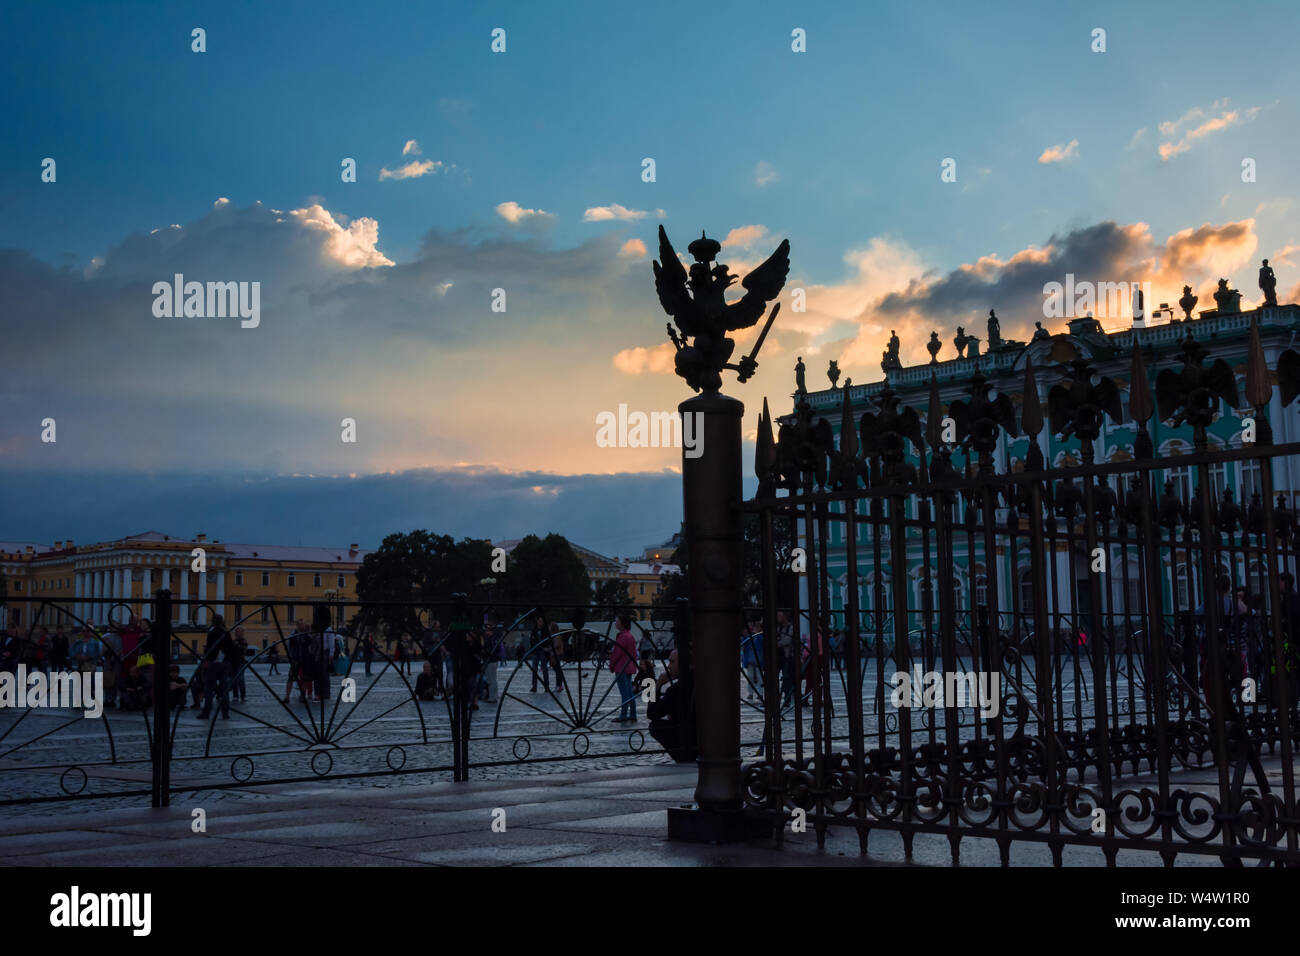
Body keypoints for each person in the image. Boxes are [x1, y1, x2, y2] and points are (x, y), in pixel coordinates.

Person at [647, 649, 694, 762]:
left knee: (655, 725)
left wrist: (656, 686)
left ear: (683, 663)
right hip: (701, 736)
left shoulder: (676, 689)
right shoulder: (701, 680)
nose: (668, 666)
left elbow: (652, 714)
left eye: (672, 662)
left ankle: (683, 757)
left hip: (688, 737)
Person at [198, 614, 233, 720]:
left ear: (213, 622)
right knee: (224, 689)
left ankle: (206, 713)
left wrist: (207, 660)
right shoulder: (226, 633)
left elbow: (211, 649)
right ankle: (225, 713)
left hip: (213, 663)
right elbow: (230, 648)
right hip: (224, 662)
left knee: (209, 689)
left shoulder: (212, 633)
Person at [610, 615, 639, 723]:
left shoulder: (623, 636)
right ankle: (633, 714)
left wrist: (611, 665)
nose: (615, 622)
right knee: (629, 693)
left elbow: (617, 653)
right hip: (628, 667)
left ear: (621, 623)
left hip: (621, 667)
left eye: (616, 620)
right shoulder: (629, 635)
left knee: (624, 693)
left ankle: (623, 716)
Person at [286, 620, 314, 704]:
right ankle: (287, 696)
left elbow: (311, 646)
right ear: (297, 625)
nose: (301, 625)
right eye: (299, 624)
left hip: (305, 659)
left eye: (302, 624)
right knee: (290, 678)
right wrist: (291, 657)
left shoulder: (307, 635)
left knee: (304, 679)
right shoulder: (293, 635)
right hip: (295, 659)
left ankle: (302, 696)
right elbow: (289, 647)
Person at [741, 617, 764, 701]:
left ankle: (760, 693)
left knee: (759, 678)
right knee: (750, 677)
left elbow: (761, 644)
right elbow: (744, 643)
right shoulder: (749, 637)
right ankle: (750, 693)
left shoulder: (760, 637)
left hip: (759, 660)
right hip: (750, 660)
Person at [776, 611, 795, 709]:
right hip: (777, 656)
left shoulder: (790, 627)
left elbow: (788, 640)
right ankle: (774, 699)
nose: (777, 617)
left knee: (786, 679)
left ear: (785, 616)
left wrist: (777, 643)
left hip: (787, 656)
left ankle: (787, 700)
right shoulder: (778, 627)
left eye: (779, 615)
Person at [527, 615, 550, 692]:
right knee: (534, 669)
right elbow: (531, 640)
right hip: (536, 651)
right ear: (537, 621)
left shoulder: (545, 630)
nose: (541, 622)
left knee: (544, 669)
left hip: (543, 651)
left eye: (542, 621)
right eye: (539, 621)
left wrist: (547, 648)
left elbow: (548, 640)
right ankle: (534, 686)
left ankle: (546, 686)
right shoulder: (534, 630)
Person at [230, 626, 249, 702]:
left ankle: (243, 695)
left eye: (240, 632)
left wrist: (236, 645)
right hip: (233, 662)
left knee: (241, 679)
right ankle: (235, 695)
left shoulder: (244, 641)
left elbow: (243, 650)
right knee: (234, 679)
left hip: (240, 662)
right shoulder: (234, 641)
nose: (238, 634)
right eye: (237, 632)